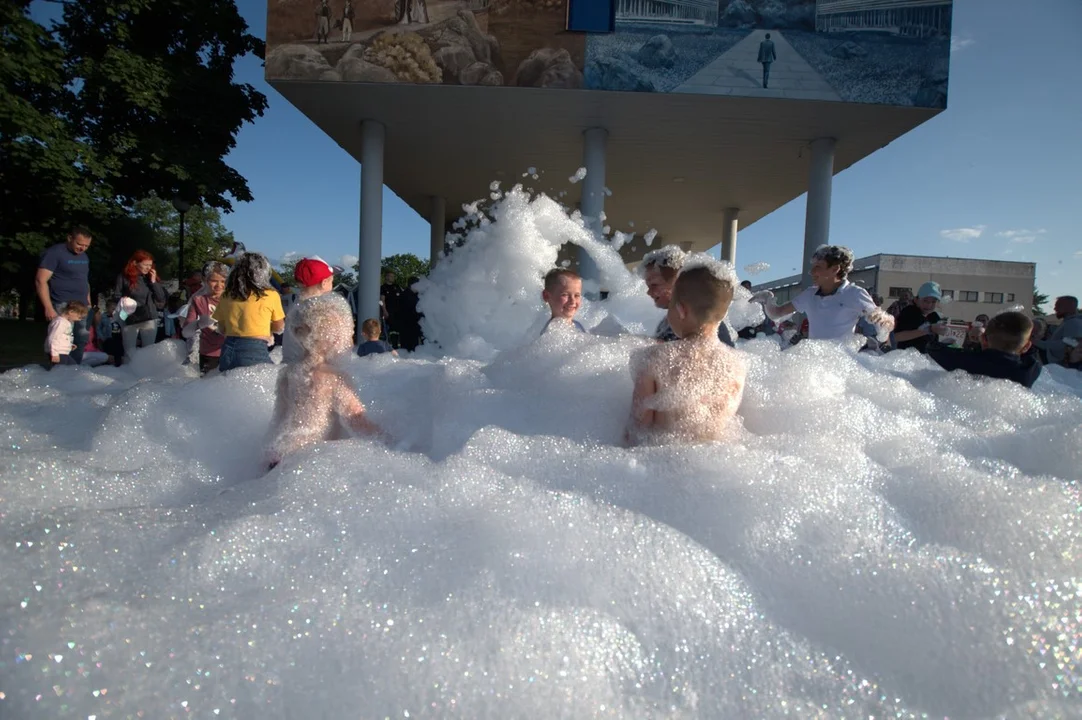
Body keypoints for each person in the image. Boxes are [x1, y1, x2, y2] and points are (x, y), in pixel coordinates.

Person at [625, 262, 747, 447]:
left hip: (662, 463)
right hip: (714, 463)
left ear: (681, 310)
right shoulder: (737, 364)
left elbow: (636, 431)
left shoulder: (652, 359)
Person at [266, 294, 384, 471]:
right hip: (307, 460)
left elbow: (279, 418)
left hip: (278, 454)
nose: (349, 338)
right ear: (331, 338)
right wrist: (391, 440)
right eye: (345, 332)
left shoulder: (288, 373)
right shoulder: (334, 377)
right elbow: (357, 420)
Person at [751, 245, 894, 342]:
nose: (812, 272)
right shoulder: (810, 294)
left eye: (818, 267)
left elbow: (884, 325)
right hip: (815, 363)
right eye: (813, 267)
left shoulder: (854, 294)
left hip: (839, 364)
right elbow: (777, 313)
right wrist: (766, 299)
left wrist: (883, 323)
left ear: (835, 269)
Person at [640, 246, 736, 346]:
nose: (649, 292)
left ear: (677, 281)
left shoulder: (708, 327)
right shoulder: (666, 324)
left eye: (654, 285)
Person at [928, 311, 1042, 388]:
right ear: (1026, 346)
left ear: (984, 339)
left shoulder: (966, 361)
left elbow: (934, 348)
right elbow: (1033, 354)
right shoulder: (1028, 371)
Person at [212, 252, 285, 372]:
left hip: (227, 349)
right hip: (254, 349)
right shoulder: (270, 295)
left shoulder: (227, 295)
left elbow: (222, 328)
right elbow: (279, 326)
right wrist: (267, 329)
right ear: (263, 273)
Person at [36, 227, 93, 363]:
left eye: (86, 246)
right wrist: (48, 307)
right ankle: (58, 372)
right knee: (61, 339)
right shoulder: (54, 253)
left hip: (82, 305)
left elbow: (84, 280)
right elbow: (40, 280)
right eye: (79, 244)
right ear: (69, 238)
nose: (82, 248)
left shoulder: (84, 256)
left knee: (81, 339)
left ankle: (73, 371)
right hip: (63, 303)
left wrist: (88, 302)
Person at [113, 250, 167, 362]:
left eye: (150, 265)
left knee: (149, 350)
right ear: (135, 263)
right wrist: (124, 300)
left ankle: (146, 372)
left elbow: (161, 298)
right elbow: (116, 295)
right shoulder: (124, 277)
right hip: (129, 316)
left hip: (149, 316)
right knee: (129, 349)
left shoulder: (150, 278)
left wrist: (153, 282)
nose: (148, 268)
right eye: (145, 265)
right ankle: (128, 372)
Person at [283, 256, 337, 364]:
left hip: (292, 369)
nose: (332, 286)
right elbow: (323, 353)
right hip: (313, 374)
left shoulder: (296, 306)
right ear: (324, 283)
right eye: (332, 281)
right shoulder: (318, 309)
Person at [182, 262, 228, 374]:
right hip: (208, 354)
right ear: (206, 280)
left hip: (230, 351)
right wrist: (198, 323)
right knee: (209, 388)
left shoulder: (233, 298)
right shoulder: (198, 300)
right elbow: (186, 332)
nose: (219, 285)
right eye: (214, 281)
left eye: (223, 281)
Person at [891, 282, 948, 353]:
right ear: (916, 300)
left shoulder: (933, 317)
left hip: (924, 360)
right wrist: (929, 329)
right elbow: (896, 337)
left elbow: (930, 344)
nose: (929, 305)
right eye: (925, 300)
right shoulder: (910, 312)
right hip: (906, 358)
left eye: (933, 302)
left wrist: (944, 344)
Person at [1034, 296, 1082, 366]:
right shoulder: (1068, 322)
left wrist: (1039, 343)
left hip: (1064, 369)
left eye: (1058, 306)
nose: (1055, 308)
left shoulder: (1074, 323)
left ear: (1068, 307)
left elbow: (1069, 344)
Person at [45, 301, 89, 368]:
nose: (79, 320)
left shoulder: (66, 322)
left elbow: (64, 337)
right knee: (61, 371)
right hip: (58, 353)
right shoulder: (60, 323)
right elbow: (53, 338)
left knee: (74, 367)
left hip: (63, 352)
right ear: (71, 312)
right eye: (79, 317)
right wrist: (54, 354)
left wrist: (69, 345)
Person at [541, 268, 586, 333]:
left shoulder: (578, 326)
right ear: (546, 296)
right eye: (565, 295)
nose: (572, 301)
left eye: (577, 295)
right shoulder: (551, 332)